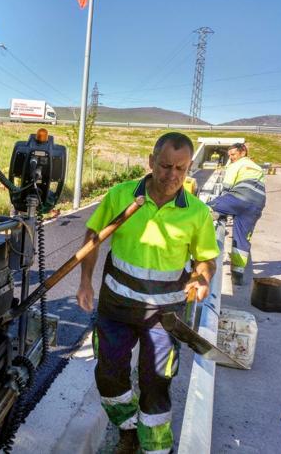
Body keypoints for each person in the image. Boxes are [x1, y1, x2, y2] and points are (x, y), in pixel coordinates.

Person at [76, 132, 219, 454]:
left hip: (165, 317)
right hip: (117, 308)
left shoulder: (196, 212)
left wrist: (202, 278)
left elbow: (205, 258)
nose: (172, 176)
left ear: (189, 168)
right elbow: (94, 236)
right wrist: (85, 281)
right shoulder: (121, 196)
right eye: (165, 166)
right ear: (151, 162)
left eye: (181, 169)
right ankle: (128, 428)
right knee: (109, 375)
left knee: (157, 381)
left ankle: (155, 447)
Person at [208, 142, 265, 285]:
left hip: (239, 198)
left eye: (233, 154)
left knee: (204, 208)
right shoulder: (257, 167)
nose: (231, 157)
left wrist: (219, 205)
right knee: (242, 238)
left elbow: (227, 187)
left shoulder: (235, 165)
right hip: (257, 205)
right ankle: (237, 274)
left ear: (242, 153)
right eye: (229, 155)